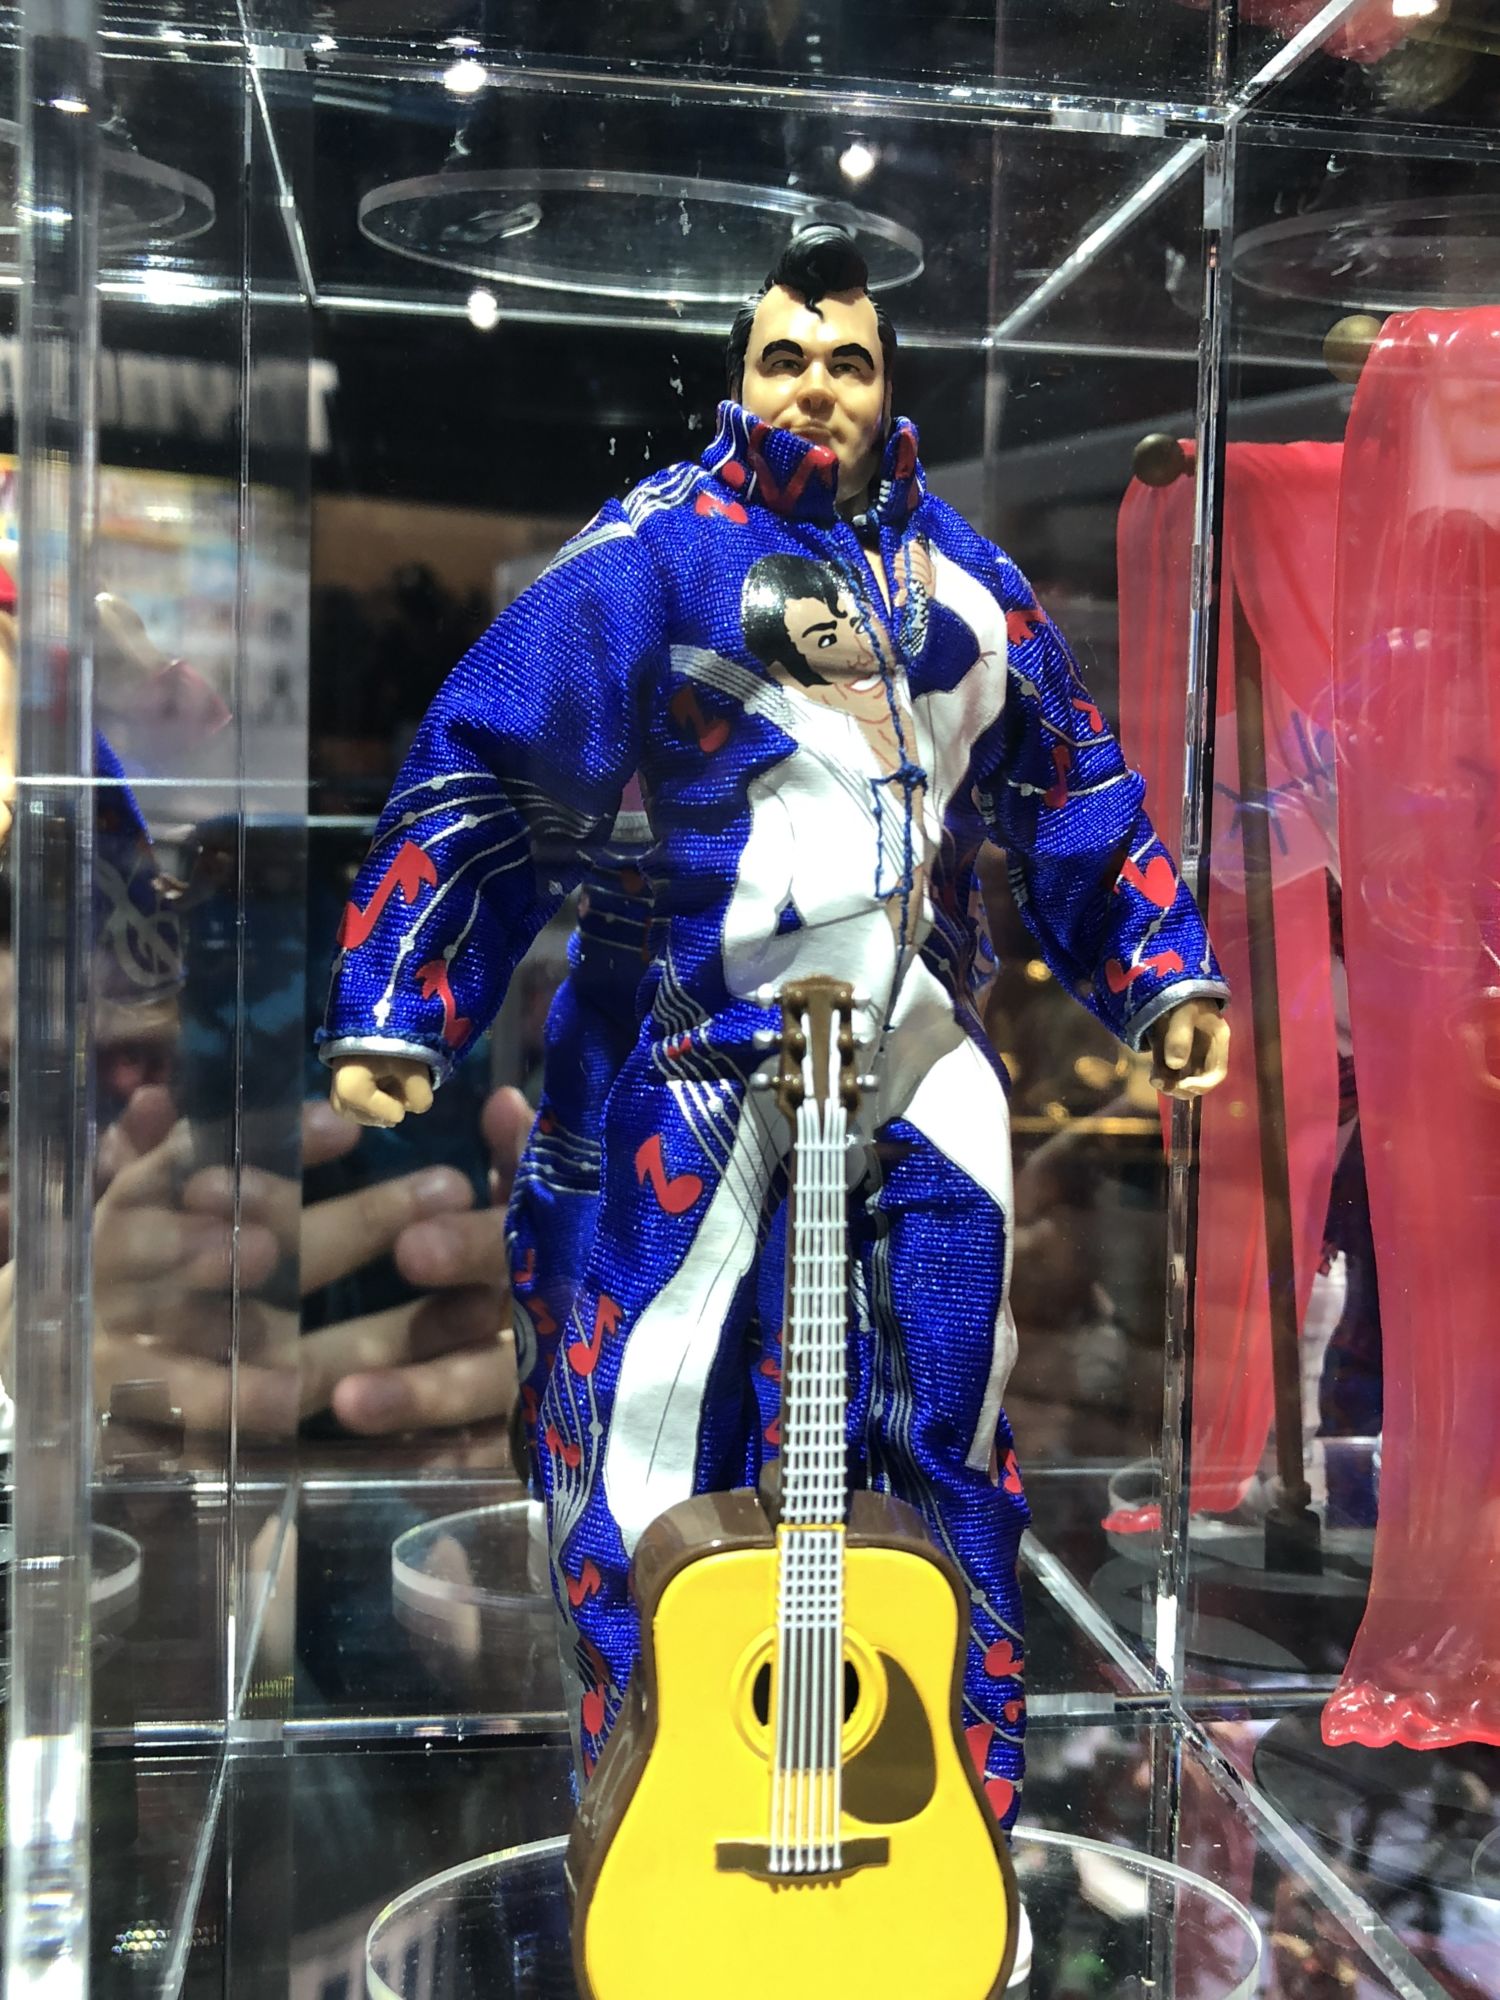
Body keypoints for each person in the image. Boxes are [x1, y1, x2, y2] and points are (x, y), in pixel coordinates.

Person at [319, 225, 1230, 1829]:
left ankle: (941, 1802)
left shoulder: (969, 582)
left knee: (947, 1406)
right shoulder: (653, 556)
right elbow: (491, 759)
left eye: (848, 361)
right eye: (785, 358)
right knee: (649, 1426)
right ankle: (657, 1794)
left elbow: (1074, 791)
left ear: (890, 384)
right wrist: (403, 997)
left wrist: (1161, 972)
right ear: (742, 377)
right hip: (695, 1040)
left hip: (917, 1042)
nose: (817, 388)